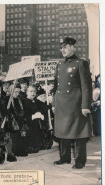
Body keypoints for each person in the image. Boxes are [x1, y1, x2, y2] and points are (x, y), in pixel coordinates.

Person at [53, 37, 92, 169]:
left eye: (65, 46)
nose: (62, 49)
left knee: (79, 133)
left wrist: (85, 106)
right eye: (61, 47)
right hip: (62, 105)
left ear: (73, 47)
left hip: (76, 105)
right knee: (63, 132)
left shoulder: (81, 63)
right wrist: (54, 104)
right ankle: (64, 158)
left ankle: (80, 161)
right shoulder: (59, 65)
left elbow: (86, 86)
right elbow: (56, 87)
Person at [6, 83, 28, 156]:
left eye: (18, 92)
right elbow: (7, 111)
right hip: (12, 122)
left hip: (20, 120)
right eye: (15, 92)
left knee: (21, 136)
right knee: (14, 138)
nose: (17, 93)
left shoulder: (19, 99)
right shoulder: (7, 99)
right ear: (11, 91)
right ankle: (14, 150)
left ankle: (21, 150)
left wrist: (22, 114)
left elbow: (23, 109)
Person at [22, 84, 44, 153]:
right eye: (31, 91)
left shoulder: (36, 101)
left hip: (36, 125)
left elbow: (44, 107)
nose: (33, 93)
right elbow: (24, 114)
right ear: (27, 92)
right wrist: (33, 116)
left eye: (34, 91)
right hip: (29, 125)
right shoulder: (24, 101)